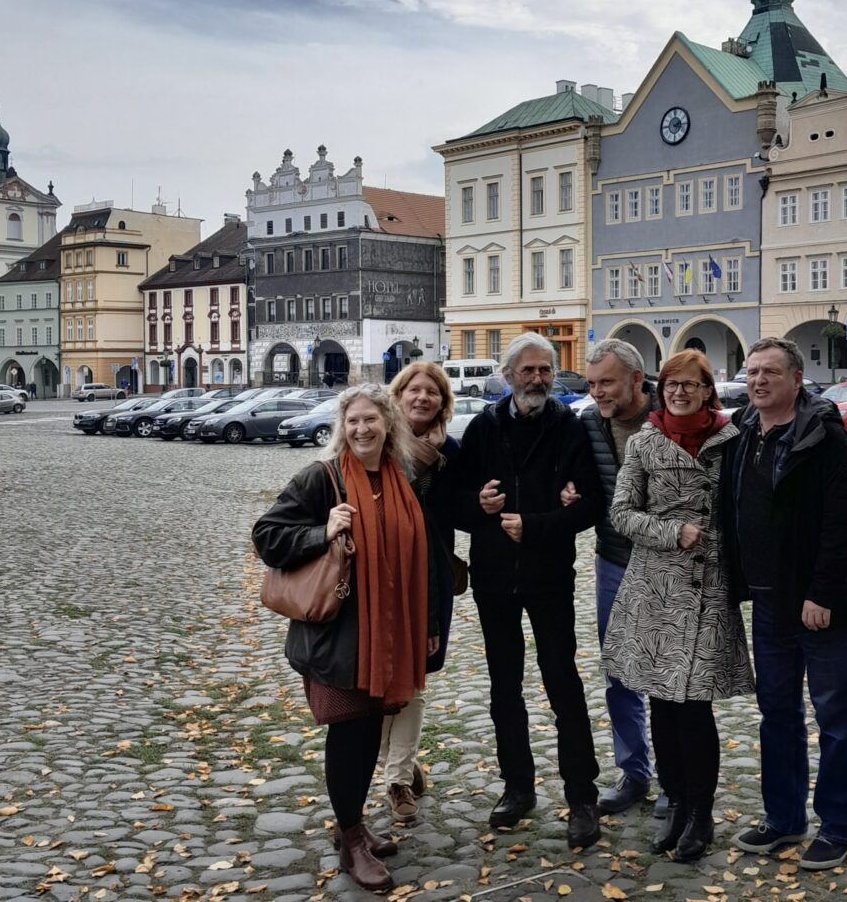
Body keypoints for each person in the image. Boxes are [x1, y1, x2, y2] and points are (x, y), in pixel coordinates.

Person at [253, 384, 430, 892]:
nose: (361, 430)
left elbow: (417, 553)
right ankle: (351, 837)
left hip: (388, 634)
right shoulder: (322, 478)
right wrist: (321, 532)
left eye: (371, 419)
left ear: (388, 424)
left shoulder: (400, 478)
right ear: (341, 425)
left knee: (367, 730)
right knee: (350, 734)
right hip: (338, 638)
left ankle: (351, 823)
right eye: (352, 421)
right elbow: (267, 535)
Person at [721, 337, 847, 871]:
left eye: (770, 373)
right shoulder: (740, 431)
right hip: (768, 601)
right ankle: (784, 819)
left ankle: (838, 826)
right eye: (752, 371)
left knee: (834, 718)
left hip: (821, 605)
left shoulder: (823, 436)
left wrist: (822, 593)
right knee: (776, 715)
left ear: (795, 380)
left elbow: (845, 519)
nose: (758, 380)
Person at [455, 332, 605, 849]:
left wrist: (538, 525)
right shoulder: (482, 427)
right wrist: (481, 506)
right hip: (494, 577)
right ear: (508, 376)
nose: (538, 379)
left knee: (562, 681)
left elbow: (590, 507)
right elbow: (454, 505)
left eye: (546, 370)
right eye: (528, 371)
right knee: (504, 688)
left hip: (548, 575)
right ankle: (517, 787)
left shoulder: (570, 428)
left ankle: (582, 796)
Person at [602, 349, 753, 862]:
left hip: (710, 586)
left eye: (690, 385)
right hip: (655, 588)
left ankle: (701, 815)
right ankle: (678, 804)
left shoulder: (731, 440)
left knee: (695, 707)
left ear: (709, 390)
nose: (680, 393)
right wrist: (672, 532)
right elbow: (621, 513)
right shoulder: (646, 442)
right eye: (671, 385)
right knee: (663, 705)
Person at [576, 339, 664, 817]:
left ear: (636, 379)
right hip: (613, 560)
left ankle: (676, 780)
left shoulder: (669, 417)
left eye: (605, 382)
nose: (597, 393)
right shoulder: (589, 422)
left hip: (669, 565)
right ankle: (634, 772)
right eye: (591, 384)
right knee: (620, 674)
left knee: (673, 675)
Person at [378, 361, 461, 823]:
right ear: (399, 394)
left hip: (429, 575)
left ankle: (397, 779)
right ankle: (401, 768)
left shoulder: (452, 452)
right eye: (414, 389)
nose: (422, 398)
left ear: (442, 402)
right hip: (381, 573)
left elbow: (463, 509)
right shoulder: (379, 446)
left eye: (432, 392)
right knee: (377, 680)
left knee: (412, 678)